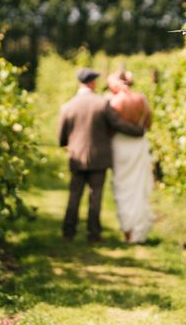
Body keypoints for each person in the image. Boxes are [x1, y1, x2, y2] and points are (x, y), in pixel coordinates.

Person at [58, 67, 144, 243]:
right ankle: (94, 234)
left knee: (74, 194)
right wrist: (138, 131)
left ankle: (68, 232)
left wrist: (68, 145)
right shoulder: (102, 103)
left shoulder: (68, 106)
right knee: (95, 195)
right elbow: (119, 124)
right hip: (99, 156)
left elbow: (62, 136)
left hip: (76, 156)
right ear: (92, 82)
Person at [107, 70, 155, 244]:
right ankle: (140, 231)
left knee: (123, 187)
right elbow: (148, 123)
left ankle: (128, 232)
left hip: (120, 146)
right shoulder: (141, 99)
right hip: (139, 145)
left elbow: (110, 127)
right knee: (137, 187)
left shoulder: (114, 101)